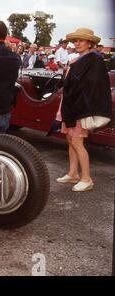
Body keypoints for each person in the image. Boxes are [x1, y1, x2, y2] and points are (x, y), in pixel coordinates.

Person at [56, 28, 112, 192]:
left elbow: (91, 86)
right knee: (70, 139)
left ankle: (86, 179)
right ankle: (73, 173)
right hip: (70, 105)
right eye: (76, 40)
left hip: (80, 106)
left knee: (77, 141)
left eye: (81, 40)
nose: (77, 43)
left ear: (90, 43)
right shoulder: (80, 59)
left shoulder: (94, 59)